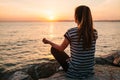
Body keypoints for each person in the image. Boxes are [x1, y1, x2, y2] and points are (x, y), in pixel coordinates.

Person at [42, 5, 98, 79]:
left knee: (54, 49)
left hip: (74, 73)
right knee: (73, 57)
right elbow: (84, 50)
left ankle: (69, 65)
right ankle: (72, 60)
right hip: (89, 71)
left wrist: (49, 42)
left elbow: (61, 49)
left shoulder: (71, 32)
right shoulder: (94, 32)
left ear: (76, 17)